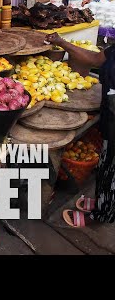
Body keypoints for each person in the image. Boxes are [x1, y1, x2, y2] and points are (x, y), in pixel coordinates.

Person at [46, 32, 115, 226]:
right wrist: (62, 43)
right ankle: (105, 201)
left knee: (112, 169)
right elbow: (94, 58)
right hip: (111, 117)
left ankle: (102, 215)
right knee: (106, 163)